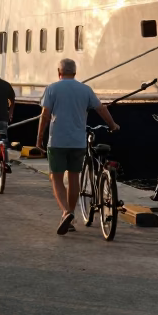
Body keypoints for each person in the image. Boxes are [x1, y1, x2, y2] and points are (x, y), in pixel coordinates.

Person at [37, 58, 119, 235]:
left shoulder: (52, 89)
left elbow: (45, 115)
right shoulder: (85, 89)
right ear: (75, 72)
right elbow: (101, 109)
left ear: (59, 71)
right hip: (78, 141)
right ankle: (71, 216)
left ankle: (66, 212)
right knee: (74, 177)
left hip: (57, 141)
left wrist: (39, 139)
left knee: (56, 178)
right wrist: (113, 125)